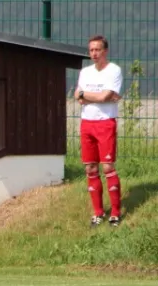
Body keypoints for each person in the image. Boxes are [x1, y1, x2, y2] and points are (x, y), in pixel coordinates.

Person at [74, 35, 123, 227]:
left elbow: (106, 96)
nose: (94, 54)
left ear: (105, 51)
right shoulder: (85, 72)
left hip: (105, 123)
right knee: (90, 168)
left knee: (108, 167)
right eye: (91, 50)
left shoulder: (114, 70)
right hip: (87, 123)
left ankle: (116, 213)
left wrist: (87, 95)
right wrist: (88, 95)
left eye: (98, 50)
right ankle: (98, 212)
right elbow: (78, 96)